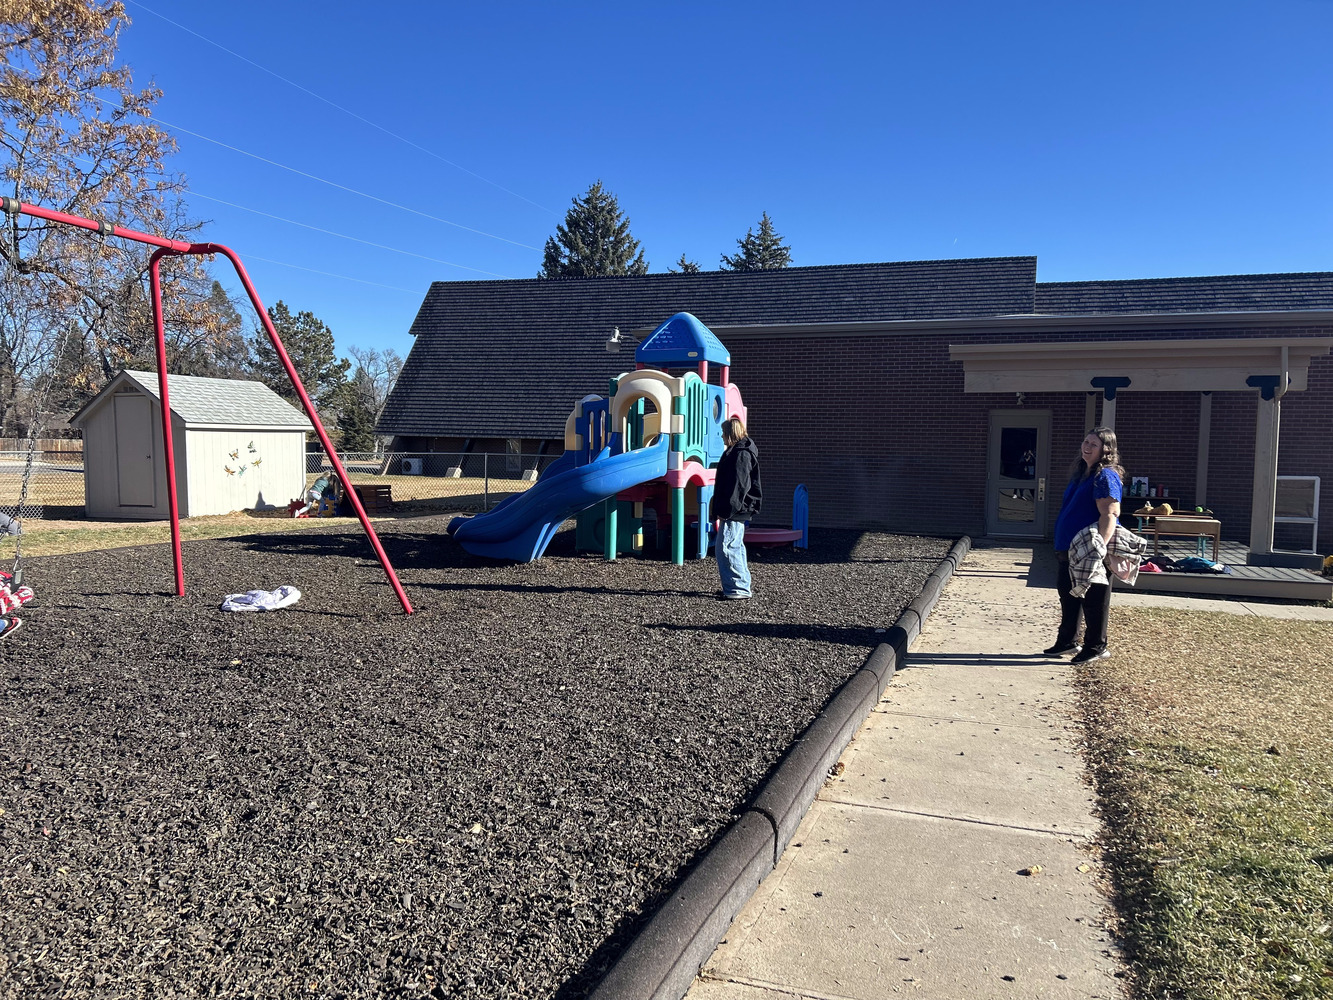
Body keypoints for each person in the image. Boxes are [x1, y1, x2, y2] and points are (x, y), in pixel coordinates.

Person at [1045, 426, 1124, 663]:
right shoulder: (1083, 474)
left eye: (1094, 444)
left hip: (1090, 550)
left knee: (1094, 600)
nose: (1087, 447)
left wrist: (1099, 548)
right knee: (1069, 594)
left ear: (1106, 450)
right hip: (1069, 548)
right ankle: (1067, 641)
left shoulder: (1105, 476)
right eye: (1086, 442)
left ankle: (1096, 646)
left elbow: (1110, 514)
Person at [711, 416, 762, 600]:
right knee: (735, 546)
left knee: (726, 547)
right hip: (739, 508)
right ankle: (740, 584)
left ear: (730, 434)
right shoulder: (741, 451)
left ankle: (737, 588)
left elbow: (738, 485)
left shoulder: (740, 454)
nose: (721, 436)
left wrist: (727, 510)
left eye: (723, 433)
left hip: (735, 509)